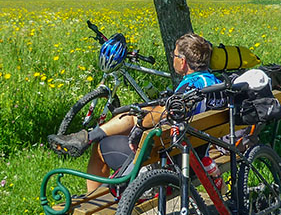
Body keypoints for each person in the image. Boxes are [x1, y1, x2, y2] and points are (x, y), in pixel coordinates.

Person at [48, 33, 222, 193]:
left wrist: (139, 123)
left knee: (100, 147)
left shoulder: (189, 88)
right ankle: (86, 137)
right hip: (197, 155)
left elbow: (165, 116)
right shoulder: (215, 84)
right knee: (137, 114)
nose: (173, 59)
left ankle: (92, 199)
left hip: (172, 163)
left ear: (183, 62)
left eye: (175, 55)